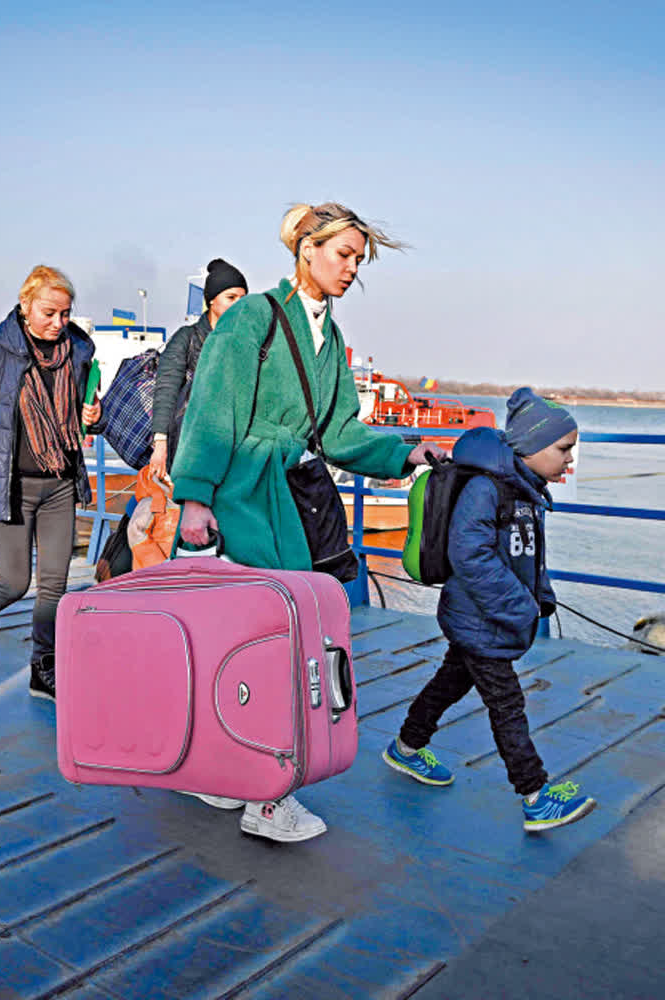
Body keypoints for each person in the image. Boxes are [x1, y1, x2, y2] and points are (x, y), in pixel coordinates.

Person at [173, 202, 448, 843]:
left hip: (289, 502)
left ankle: (223, 773)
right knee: (277, 651)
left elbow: (339, 432)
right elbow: (213, 409)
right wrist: (195, 497)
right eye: (343, 254)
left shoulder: (329, 337)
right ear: (306, 250)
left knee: (257, 648)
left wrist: (406, 453)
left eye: (359, 259)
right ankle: (268, 800)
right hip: (244, 497)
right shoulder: (253, 317)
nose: (352, 268)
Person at [383, 389, 596, 832]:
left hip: (486, 617)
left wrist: (541, 595)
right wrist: (520, 607)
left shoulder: (526, 490)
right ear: (532, 446)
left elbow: (527, 557)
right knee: (507, 704)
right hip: (480, 619)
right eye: (563, 449)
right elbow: (470, 554)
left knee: (449, 683)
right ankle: (535, 796)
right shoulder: (487, 489)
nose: (569, 460)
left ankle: (406, 747)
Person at [0, 265, 101, 696]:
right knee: (14, 582)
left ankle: (42, 666)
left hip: (60, 483)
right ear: (25, 304)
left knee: (55, 586)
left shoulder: (78, 350)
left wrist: (94, 415)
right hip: (11, 487)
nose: (58, 323)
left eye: (65, 314)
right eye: (49, 313)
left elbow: (83, 412)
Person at [145, 258, 247, 484]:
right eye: (231, 298)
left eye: (243, 298)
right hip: (190, 447)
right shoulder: (187, 338)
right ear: (211, 300)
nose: (239, 305)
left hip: (233, 449)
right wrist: (160, 445)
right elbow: (166, 390)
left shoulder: (246, 341)